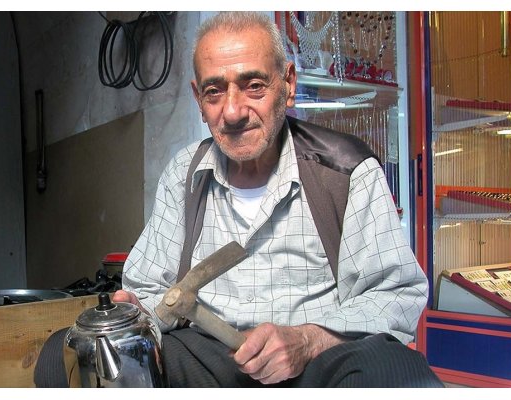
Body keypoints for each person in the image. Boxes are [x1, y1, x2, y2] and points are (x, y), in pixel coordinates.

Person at [113, 11, 443, 388]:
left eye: (254, 85)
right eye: (214, 91)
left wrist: (309, 340)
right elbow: (149, 292)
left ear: (288, 83)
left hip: (317, 362)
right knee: (75, 354)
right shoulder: (184, 173)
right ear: (198, 98)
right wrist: (136, 318)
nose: (233, 112)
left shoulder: (346, 169)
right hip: (209, 359)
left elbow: (394, 293)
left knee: (400, 373)